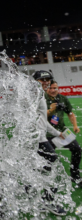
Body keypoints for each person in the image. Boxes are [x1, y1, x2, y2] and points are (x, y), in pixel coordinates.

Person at [32, 70, 66, 216]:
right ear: (35, 81)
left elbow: (42, 122)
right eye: (42, 80)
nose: (46, 82)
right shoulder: (34, 95)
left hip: (39, 138)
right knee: (53, 164)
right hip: (34, 140)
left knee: (37, 170)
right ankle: (47, 201)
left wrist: (58, 133)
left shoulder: (41, 95)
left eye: (48, 80)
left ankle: (38, 201)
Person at [45, 79, 82, 187]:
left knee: (77, 149)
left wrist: (75, 125)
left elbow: (70, 113)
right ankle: (45, 182)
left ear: (58, 88)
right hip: (47, 134)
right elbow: (38, 117)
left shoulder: (63, 98)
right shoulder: (42, 99)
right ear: (47, 89)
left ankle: (75, 175)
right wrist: (51, 110)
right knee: (48, 160)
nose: (53, 90)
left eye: (55, 88)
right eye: (50, 88)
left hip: (62, 131)